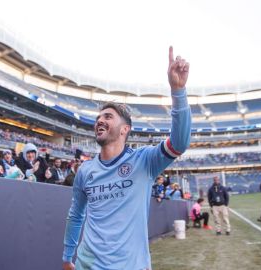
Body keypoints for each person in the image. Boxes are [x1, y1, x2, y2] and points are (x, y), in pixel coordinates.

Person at [62, 47, 191, 270]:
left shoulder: (144, 162)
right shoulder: (85, 170)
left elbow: (179, 143)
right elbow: (76, 215)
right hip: (87, 265)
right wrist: (67, 256)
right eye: (99, 117)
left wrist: (178, 91)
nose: (100, 121)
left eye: (108, 117)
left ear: (124, 130)